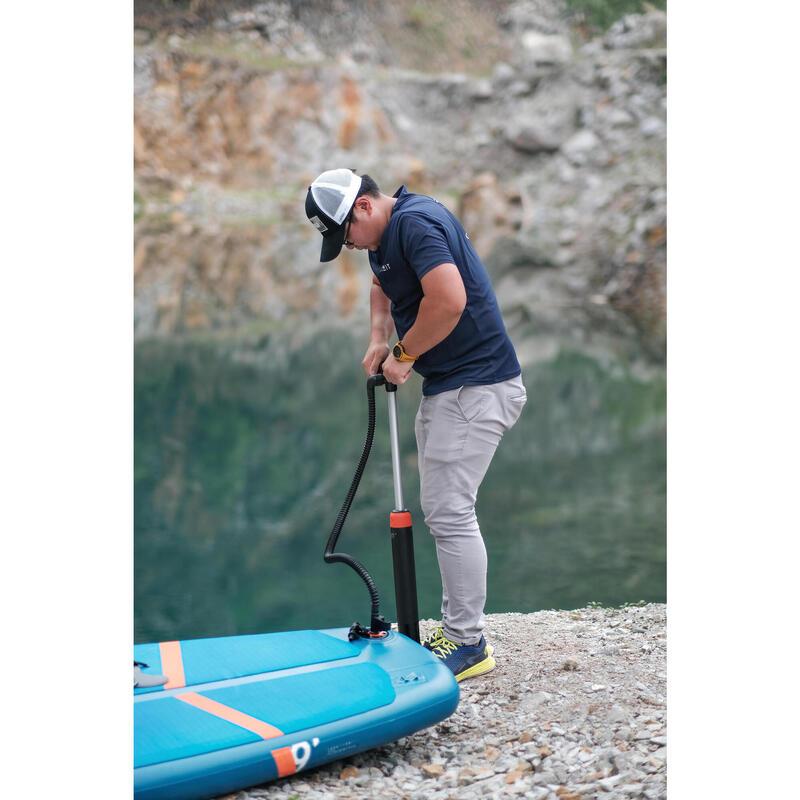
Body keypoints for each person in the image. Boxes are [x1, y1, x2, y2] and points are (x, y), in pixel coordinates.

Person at [305, 168, 527, 681]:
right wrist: (379, 338)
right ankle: (458, 631)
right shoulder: (386, 236)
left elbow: (449, 301)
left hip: (478, 386)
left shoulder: (416, 224)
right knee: (442, 509)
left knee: (450, 512)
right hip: (451, 385)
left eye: (347, 235)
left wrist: (404, 353)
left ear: (363, 206)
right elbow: (382, 283)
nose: (351, 247)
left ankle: (468, 643)